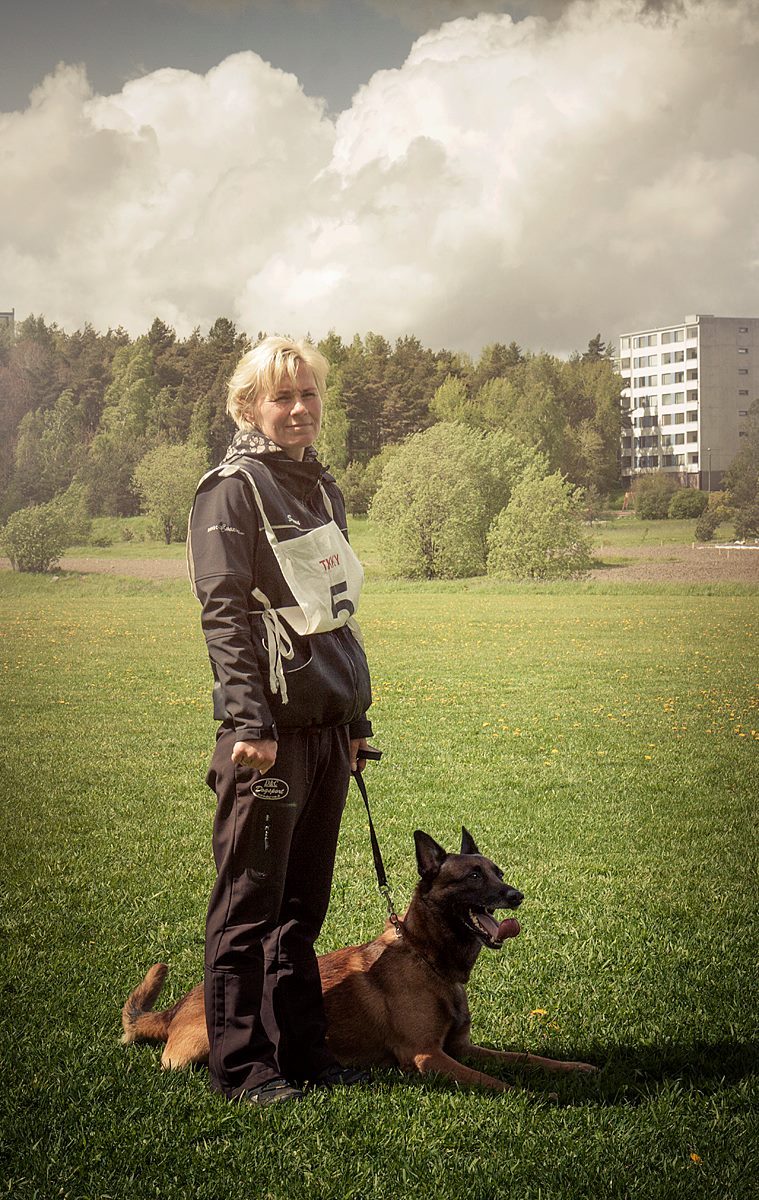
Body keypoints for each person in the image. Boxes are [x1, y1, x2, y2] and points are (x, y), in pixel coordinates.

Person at [187, 336, 375, 1106]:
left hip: (326, 730)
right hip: (266, 737)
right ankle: (242, 1068)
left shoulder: (320, 487)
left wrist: (356, 719)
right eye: (282, 397)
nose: (299, 409)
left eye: (308, 394)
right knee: (248, 908)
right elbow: (224, 613)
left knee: (301, 909)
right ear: (248, 406)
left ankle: (303, 1053)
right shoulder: (231, 490)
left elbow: (336, 615)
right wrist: (248, 723)